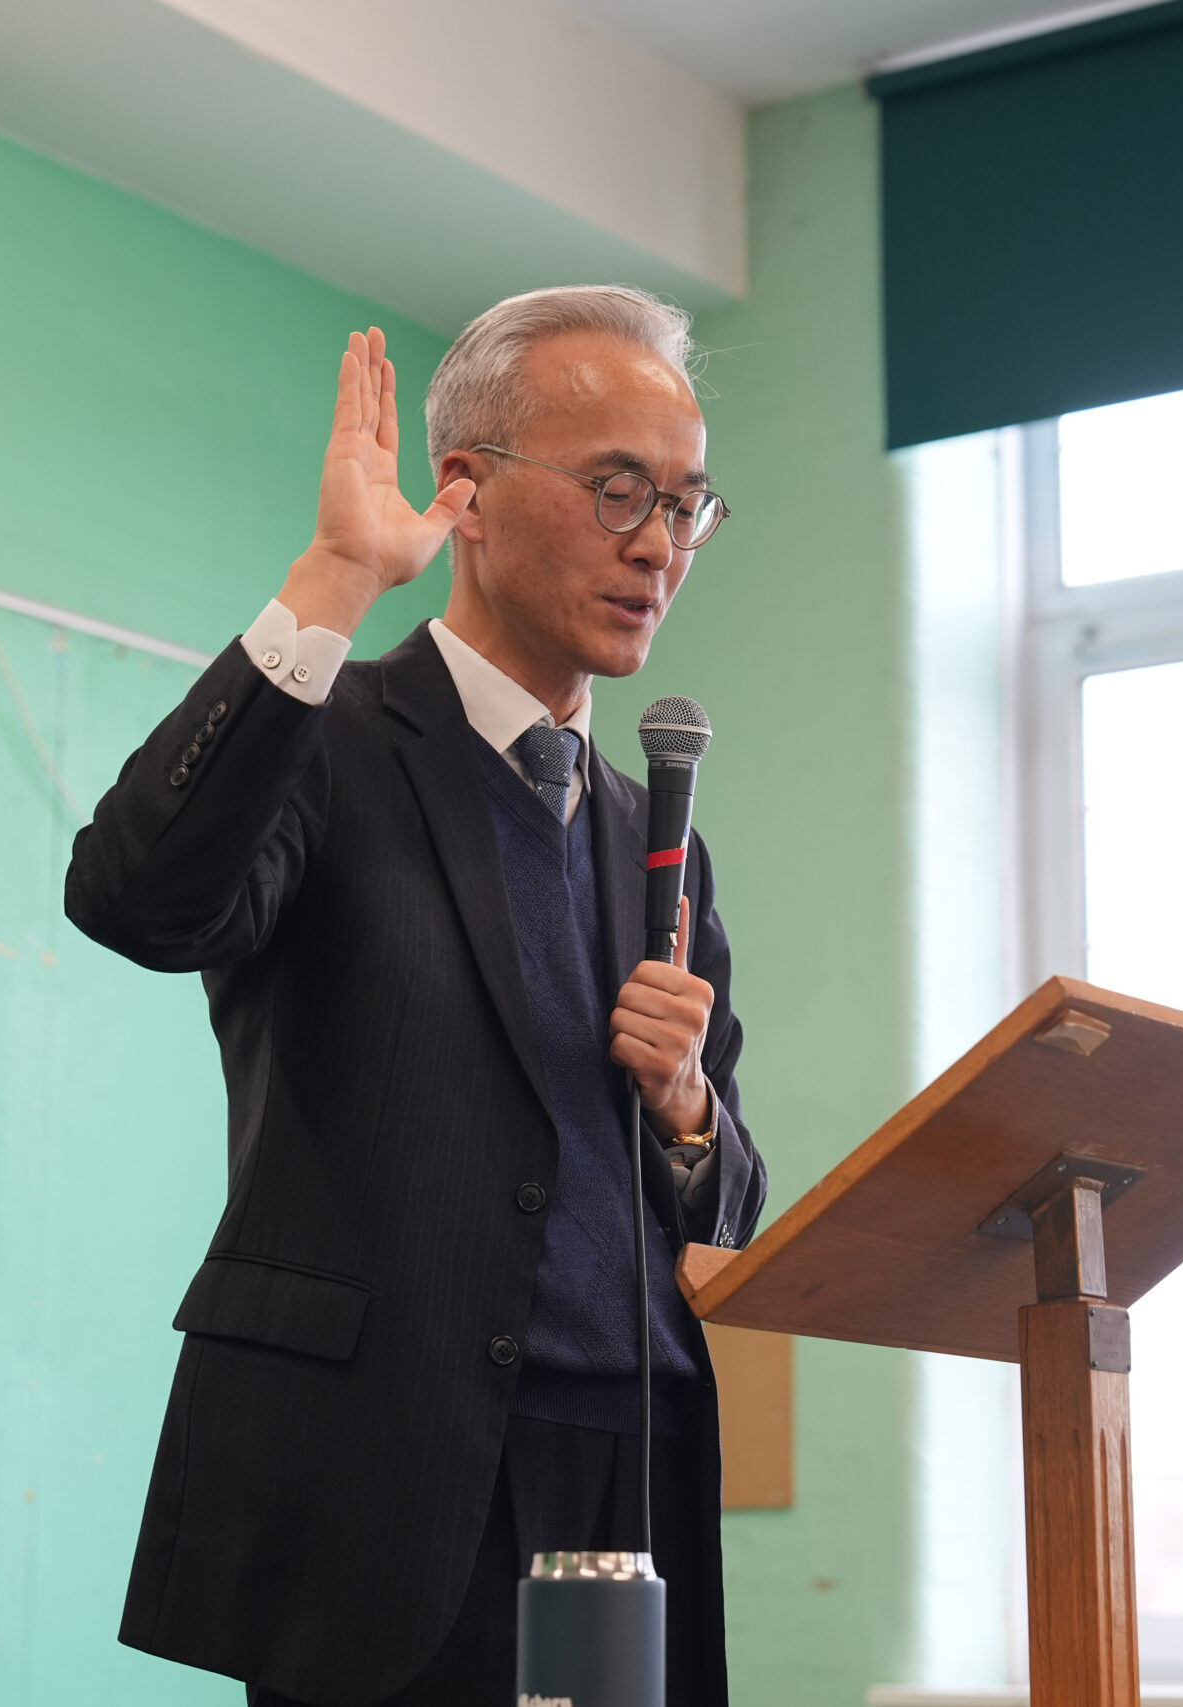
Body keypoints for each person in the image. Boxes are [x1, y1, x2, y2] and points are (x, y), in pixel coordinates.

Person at [64, 285, 768, 1707]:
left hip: (620, 1467)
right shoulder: (325, 743)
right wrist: (335, 577)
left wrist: (688, 1107)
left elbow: (728, 1200)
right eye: (617, 488)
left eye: (686, 504)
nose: (656, 543)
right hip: (383, 1476)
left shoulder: (656, 833)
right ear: (467, 493)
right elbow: (136, 900)